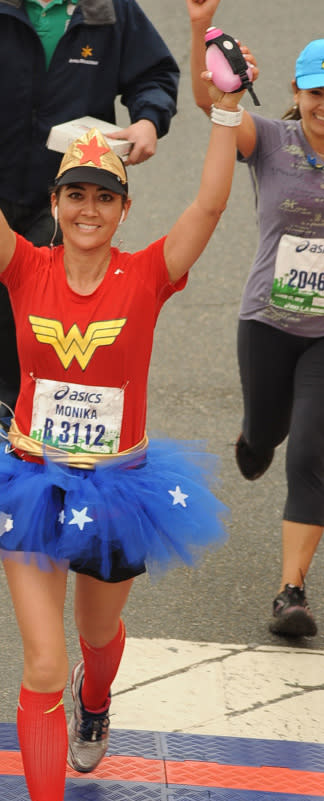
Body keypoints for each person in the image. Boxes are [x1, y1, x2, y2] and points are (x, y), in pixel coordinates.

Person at [0, 44, 251, 801]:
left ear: (121, 208)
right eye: (76, 194)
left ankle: (97, 695)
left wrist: (226, 107)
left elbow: (211, 209)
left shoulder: (148, 276)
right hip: (31, 483)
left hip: (118, 491)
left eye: (103, 198)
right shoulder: (24, 265)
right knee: (39, 664)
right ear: (57, 200)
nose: (87, 209)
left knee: (95, 637)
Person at [0, 0, 180, 426]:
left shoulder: (109, 8)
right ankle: (16, 407)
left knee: (66, 317)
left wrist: (149, 120)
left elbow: (154, 73)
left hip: (72, 198)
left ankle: (62, 418)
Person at [187, 0, 323, 639]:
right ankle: (253, 437)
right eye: (316, 91)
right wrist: (199, 33)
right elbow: (212, 108)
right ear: (298, 91)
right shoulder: (271, 139)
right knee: (268, 435)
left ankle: (290, 592)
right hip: (267, 321)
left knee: (312, 455)